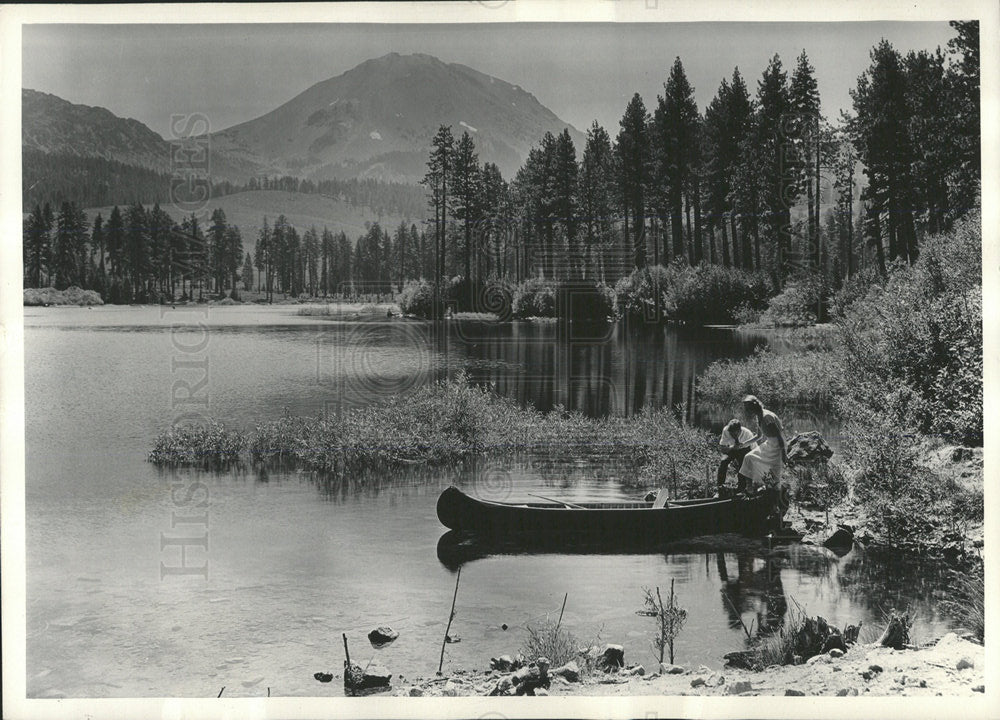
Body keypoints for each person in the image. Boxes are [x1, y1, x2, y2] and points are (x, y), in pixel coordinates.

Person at [736, 395, 788, 495]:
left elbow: (779, 436)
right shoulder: (759, 416)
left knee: (774, 477)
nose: (746, 411)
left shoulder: (766, 417)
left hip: (778, 446)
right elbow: (759, 436)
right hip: (769, 443)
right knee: (749, 457)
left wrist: (784, 454)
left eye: (747, 408)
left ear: (753, 407)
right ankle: (749, 488)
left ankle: (777, 498)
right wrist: (744, 444)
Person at [716, 418, 757, 493]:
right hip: (732, 449)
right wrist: (732, 447)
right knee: (723, 461)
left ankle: (741, 488)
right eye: (731, 433)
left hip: (745, 451)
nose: (732, 435)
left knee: (743, 465)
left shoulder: (747, 434)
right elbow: (722, 448)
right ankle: (720, 488)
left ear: (739, 431)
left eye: (734, 434)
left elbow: (754, 450)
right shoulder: (726, 430)